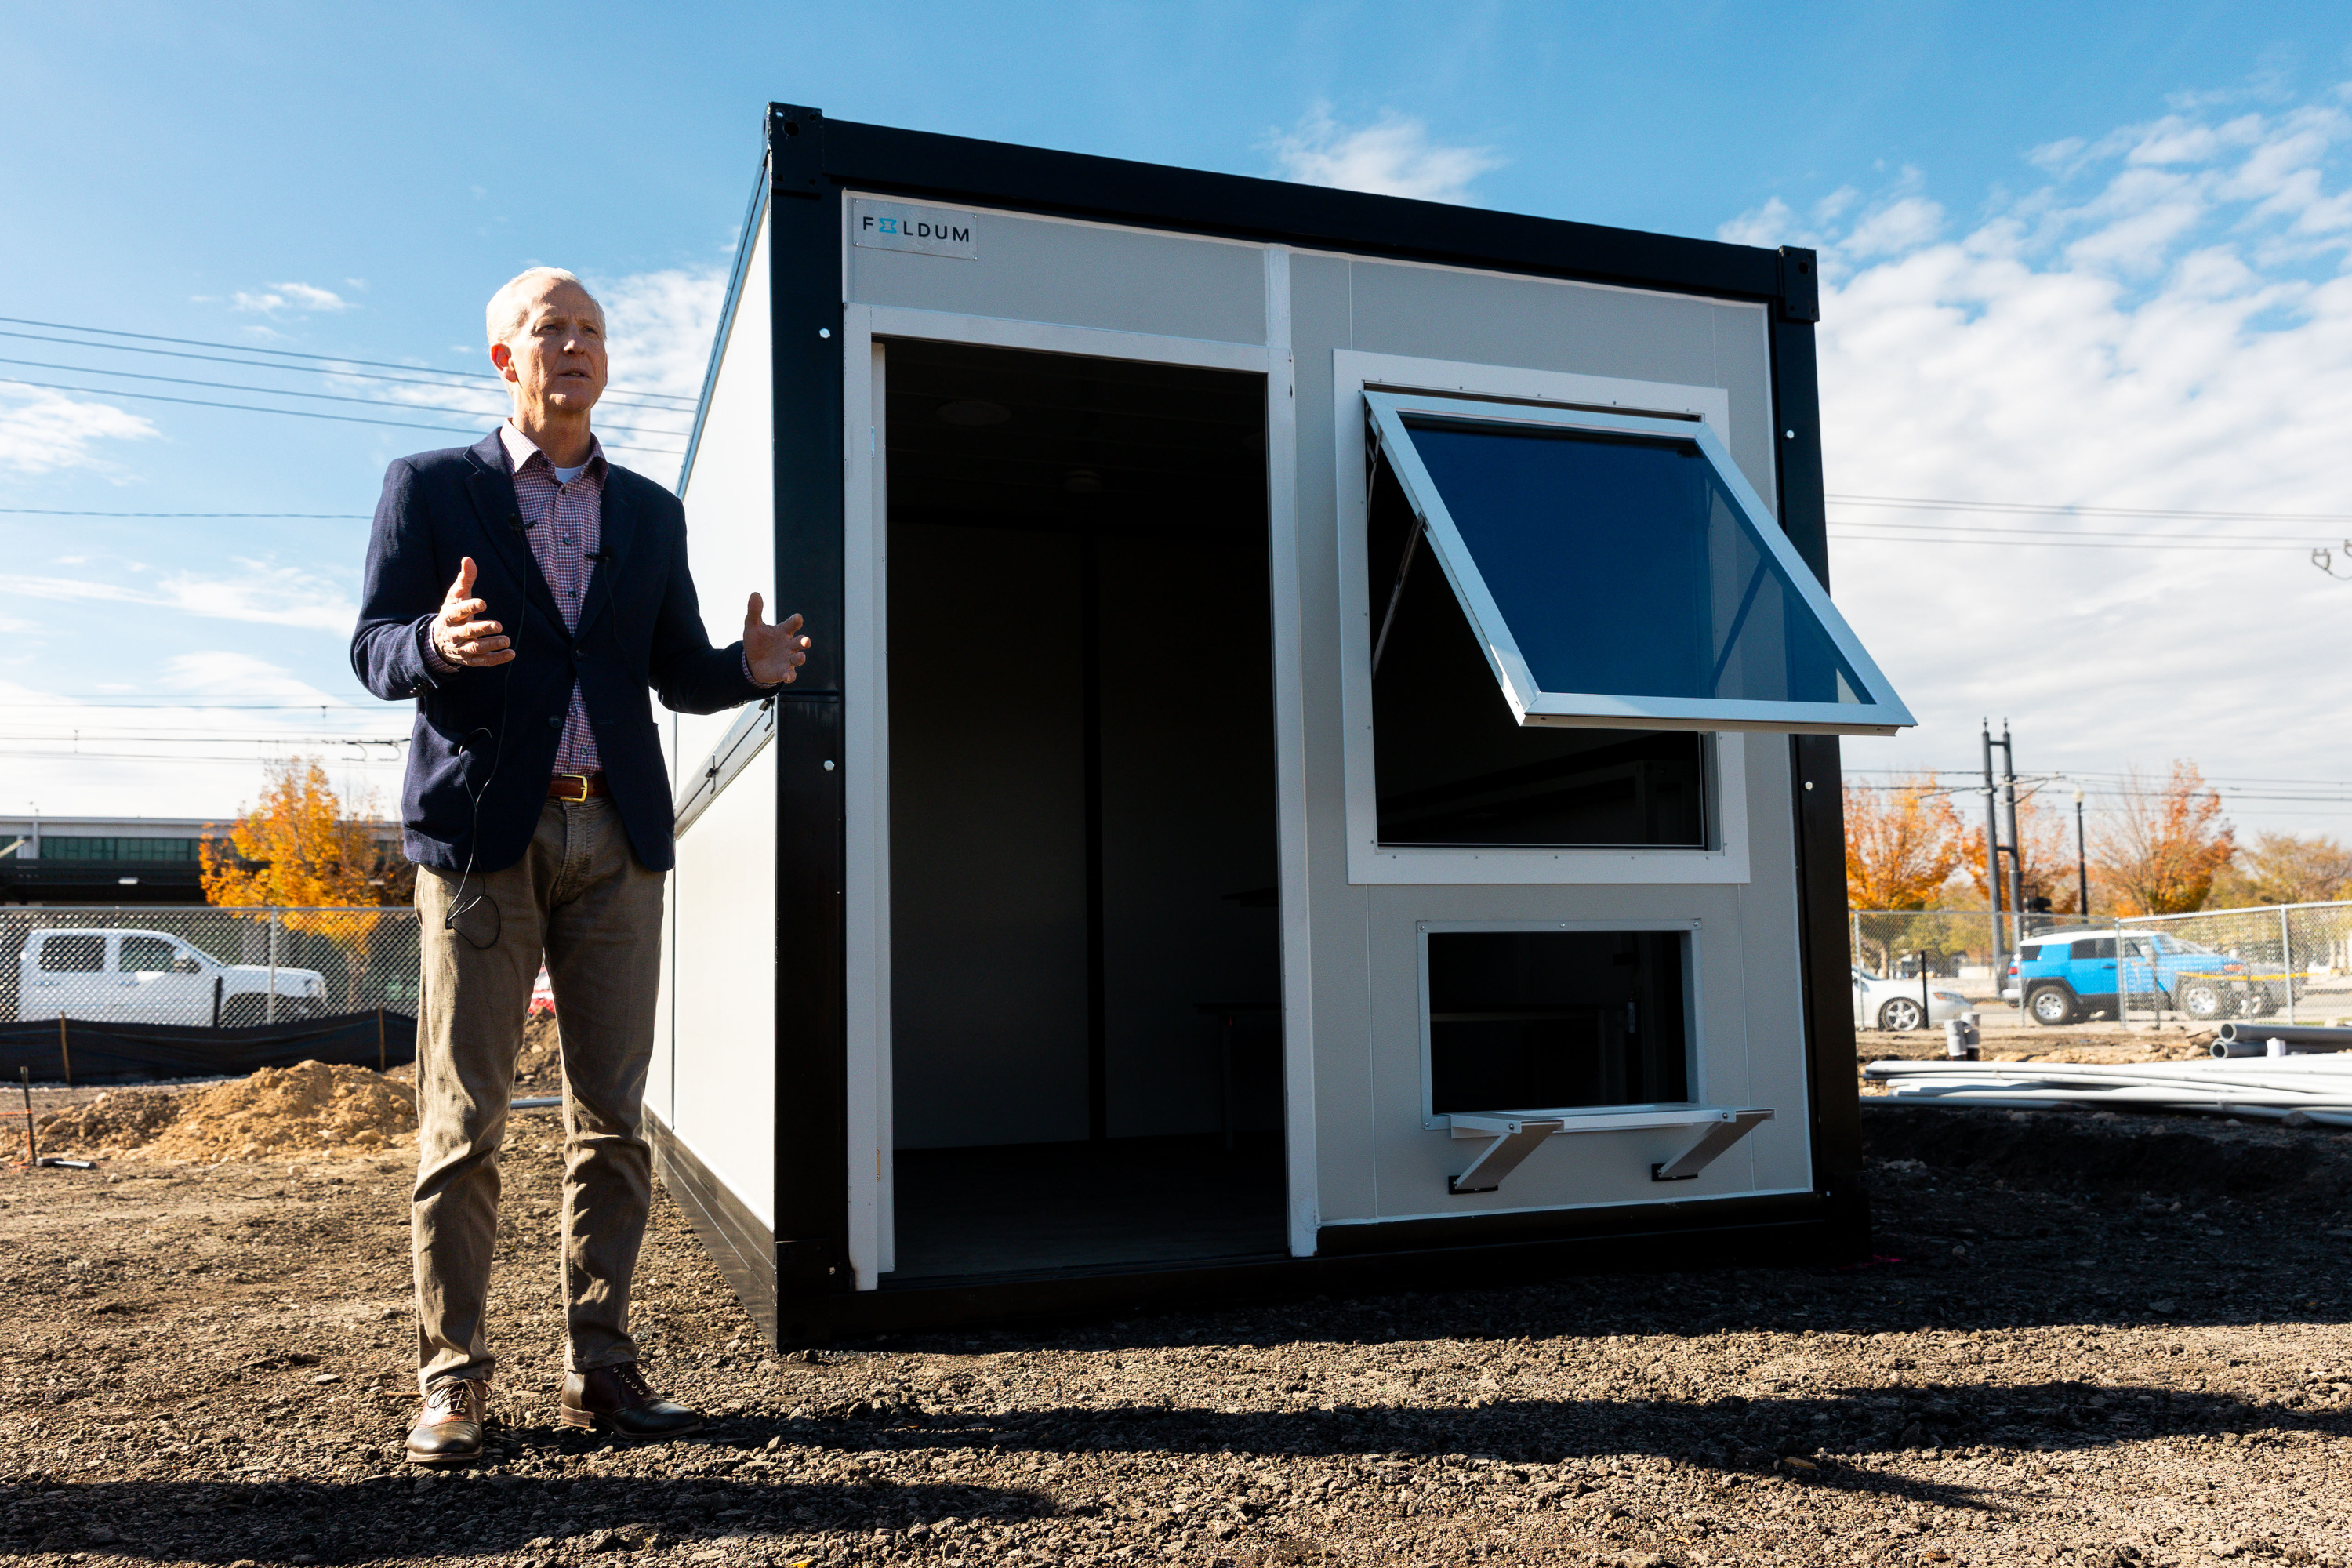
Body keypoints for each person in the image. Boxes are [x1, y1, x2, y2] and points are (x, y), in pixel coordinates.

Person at [350, 267, 810, 1465]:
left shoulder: (651, 512)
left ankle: (600, 1364)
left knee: (614, 1121)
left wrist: (745, 668)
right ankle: (452, 1379)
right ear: (505, 357)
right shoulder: (432, 489)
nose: (574, 345)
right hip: (482, 846)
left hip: (616, 837)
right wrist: (435, 646)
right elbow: (374, 647)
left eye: (591, 331)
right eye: (549, 329)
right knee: (466, 1123)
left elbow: (671, 670)